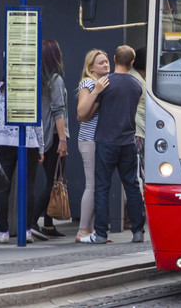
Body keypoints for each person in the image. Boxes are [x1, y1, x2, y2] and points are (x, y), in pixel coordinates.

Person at [78, 46, 146, 244]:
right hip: (128, 141)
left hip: (106, 141)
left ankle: (100, 232)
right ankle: (138, 231)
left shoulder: (105, 83)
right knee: (132, 186)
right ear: (132, 63)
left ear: (115, 58)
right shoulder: (136, 85)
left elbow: (86, 112)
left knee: (102, 187)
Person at [0, 72, 47, 243]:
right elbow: (38, 118)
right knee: (28, 186)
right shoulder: (32, 86)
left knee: (2, 187)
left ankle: (3, 232)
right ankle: (28, 230)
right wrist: (41, 146)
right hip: (29, 141)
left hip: (3, 141)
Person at [34, 40, 69, 237]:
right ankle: (32, 220)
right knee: (54, 182)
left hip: (43, 134)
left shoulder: (41, 79)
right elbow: (58, 111)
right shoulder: (56, 80)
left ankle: (48, 223)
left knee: (51, 179)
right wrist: (63, 140)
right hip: (55, 135)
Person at [75, 49, 109, 243]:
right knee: (92, 185)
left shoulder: (101, 83)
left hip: (93, 139)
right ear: (91, 68)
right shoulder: (89, 83)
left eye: (106, 62)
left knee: (96, 185)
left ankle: (91, 228)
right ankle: (83, 230)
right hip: (89, 140)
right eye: (101, 63)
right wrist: (96, 91)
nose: (105, 65)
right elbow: (81, 112)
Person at [131, 47, 148, 190]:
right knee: (141, 170)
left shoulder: (135, 77)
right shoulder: (138, 81)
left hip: (137, 129)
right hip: (138, 130)